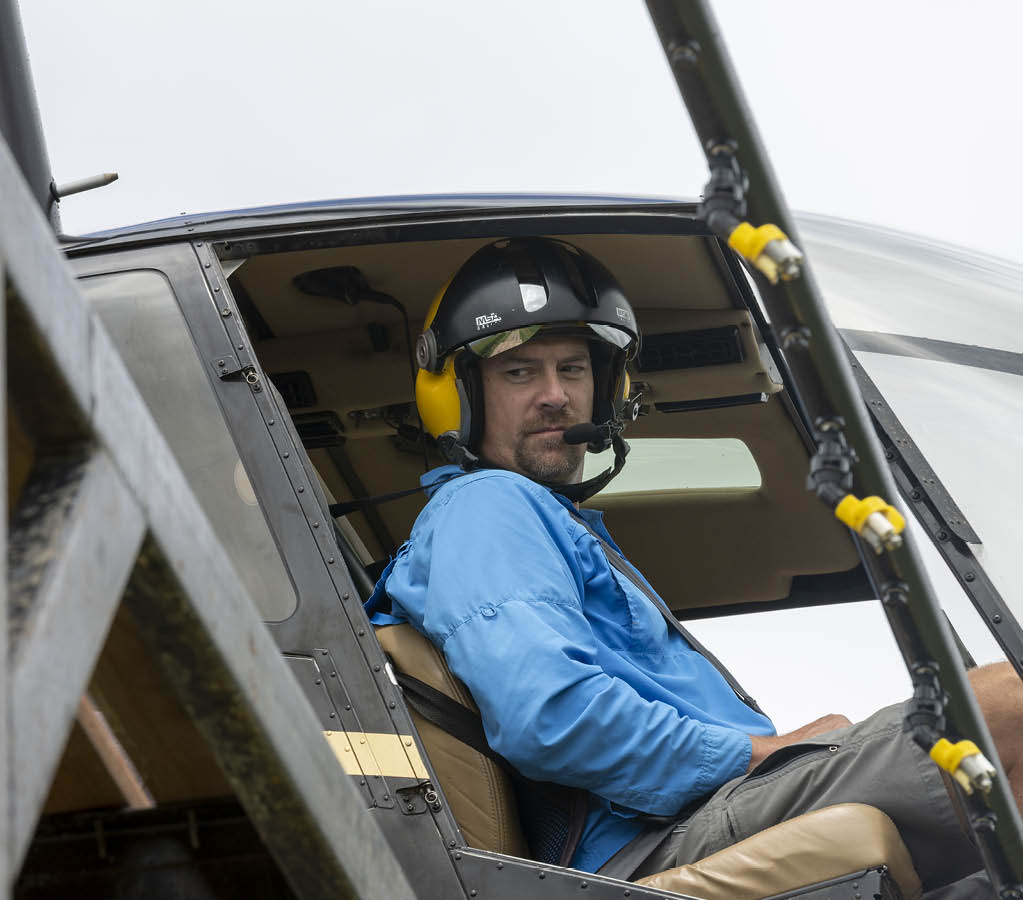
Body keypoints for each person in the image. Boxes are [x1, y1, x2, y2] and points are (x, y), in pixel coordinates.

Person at [366, 237, 1022, 895]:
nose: (555, 396)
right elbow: (550, 717)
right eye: (518, 372)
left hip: (693, 811)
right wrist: (769, 753)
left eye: (572, 369)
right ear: (458, 395)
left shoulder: (552, 525)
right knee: (1004, 704)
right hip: (650, 841)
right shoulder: (487, 507)